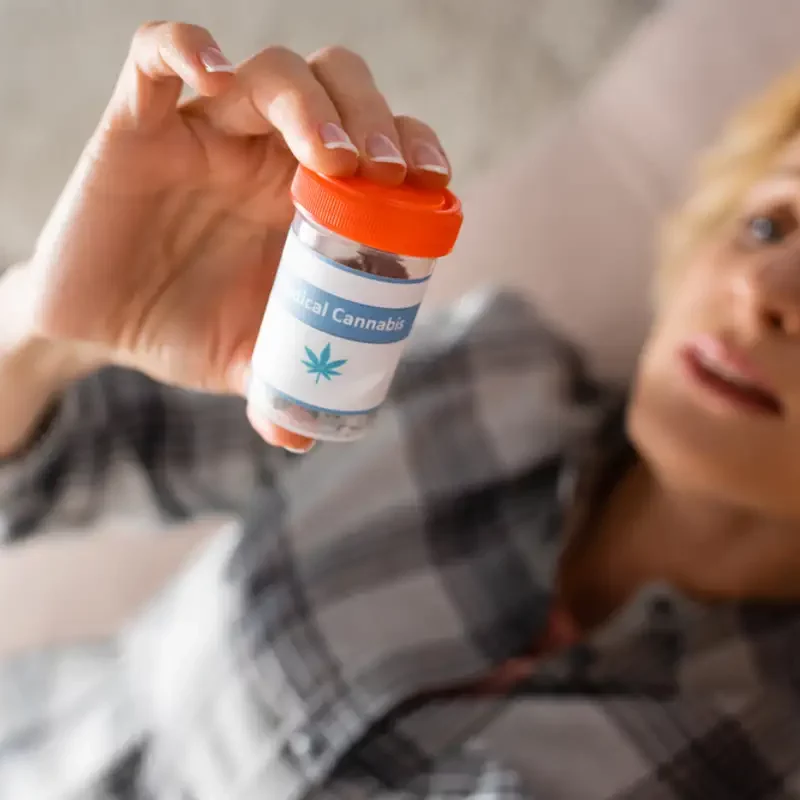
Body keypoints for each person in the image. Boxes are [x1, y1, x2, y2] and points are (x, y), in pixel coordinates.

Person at [2, 19, 800, 799]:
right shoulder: (482, 379)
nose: (764, 292)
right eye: (768, 225)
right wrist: (43, 331)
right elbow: (42, 471)